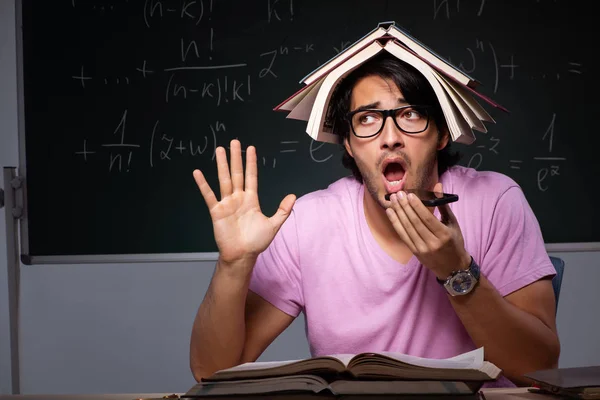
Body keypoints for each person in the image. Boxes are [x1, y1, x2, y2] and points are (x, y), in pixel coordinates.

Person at [188, 52, 560, 387]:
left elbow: (538, 366)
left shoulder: (496, 201)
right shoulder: (308, 221)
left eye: (410, 114)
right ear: (348, 142)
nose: (391, 137)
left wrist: (457, 271)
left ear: (443, 133)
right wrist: (234, 265)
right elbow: (211, 372)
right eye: (367, 119)